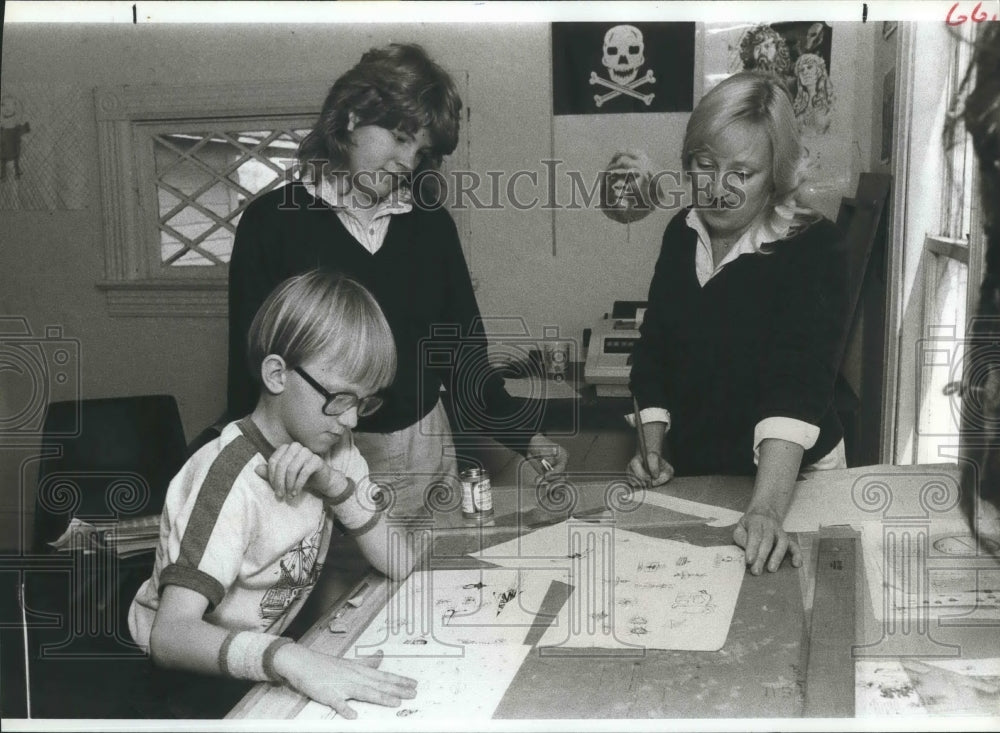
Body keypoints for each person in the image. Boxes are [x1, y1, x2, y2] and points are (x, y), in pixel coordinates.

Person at [227, 43, 567, 518]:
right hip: (320, 462)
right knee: (343, 593)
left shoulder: (430, 225)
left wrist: (527, 437)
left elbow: (464, 357)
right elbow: (251, 376)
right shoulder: (272, 224)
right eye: (400, 136)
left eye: (421, 150)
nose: (408, 162)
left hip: (429, 453)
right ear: (350, 117)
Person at [129, 270, 418, 719]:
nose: (353, 420)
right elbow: (170, 637)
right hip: (188, 679)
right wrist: (291, 659)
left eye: (365, 402)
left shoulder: (332, 447)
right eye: (341, 398)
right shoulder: (227, 478)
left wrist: (336, 488)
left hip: (260, 655)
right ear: (278, 374)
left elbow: (401, 561)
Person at [622, 71, 851, 576]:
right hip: (703, 469)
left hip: (794, 479)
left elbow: (797, 379)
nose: (718, 190)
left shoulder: (815, 246)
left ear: (777, 174)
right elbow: (654, 349)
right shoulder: (679, 233)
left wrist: (768, 508)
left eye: (742, 174)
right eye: (705, 166)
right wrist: (653, 446)